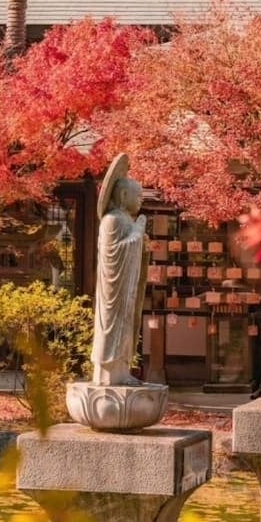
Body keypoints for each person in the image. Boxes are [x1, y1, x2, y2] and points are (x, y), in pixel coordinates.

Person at [92, 154, 149, 386]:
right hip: (113, 291)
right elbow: (114, 254)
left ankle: (122, 370)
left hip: (126, 289)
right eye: (138, 196)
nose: (141, 201)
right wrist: (138, 231)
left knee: (126, 325)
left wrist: (141, 242)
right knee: (114, 326)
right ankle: (109, 374)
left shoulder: (125, 219)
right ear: (123, 195)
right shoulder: (112, 220)